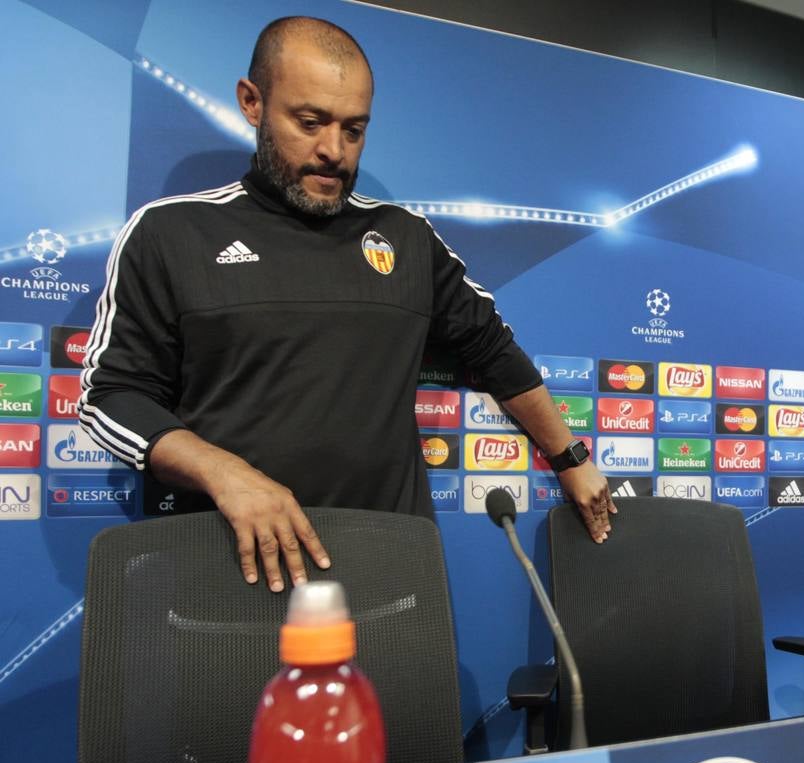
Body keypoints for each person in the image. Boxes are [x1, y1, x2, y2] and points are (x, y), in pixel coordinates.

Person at [78, 16, 613, 592]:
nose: (333, 150)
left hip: (389, 573)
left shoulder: (404, 238)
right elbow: (111, 397)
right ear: (252, 102)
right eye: (309, 122)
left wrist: (571, 458)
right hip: (231, 576)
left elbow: (493, 349)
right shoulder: (170, 233)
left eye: (353, 130)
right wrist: (223, 472)